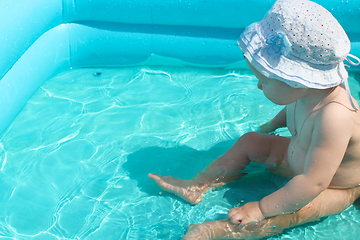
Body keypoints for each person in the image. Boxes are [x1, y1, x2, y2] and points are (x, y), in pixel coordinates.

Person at [148, 0, 360, 239]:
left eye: (265, 81)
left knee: (294, 211)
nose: (258, 85)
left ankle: (214, 231)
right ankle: (198, 184)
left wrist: (261, 208)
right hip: (297, 157)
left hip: (335, 186)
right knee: (251, 141)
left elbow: (314, 183)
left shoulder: (336, 116)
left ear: (299, 81)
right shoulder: (308, 92)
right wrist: (272, 125)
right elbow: (292, 107)